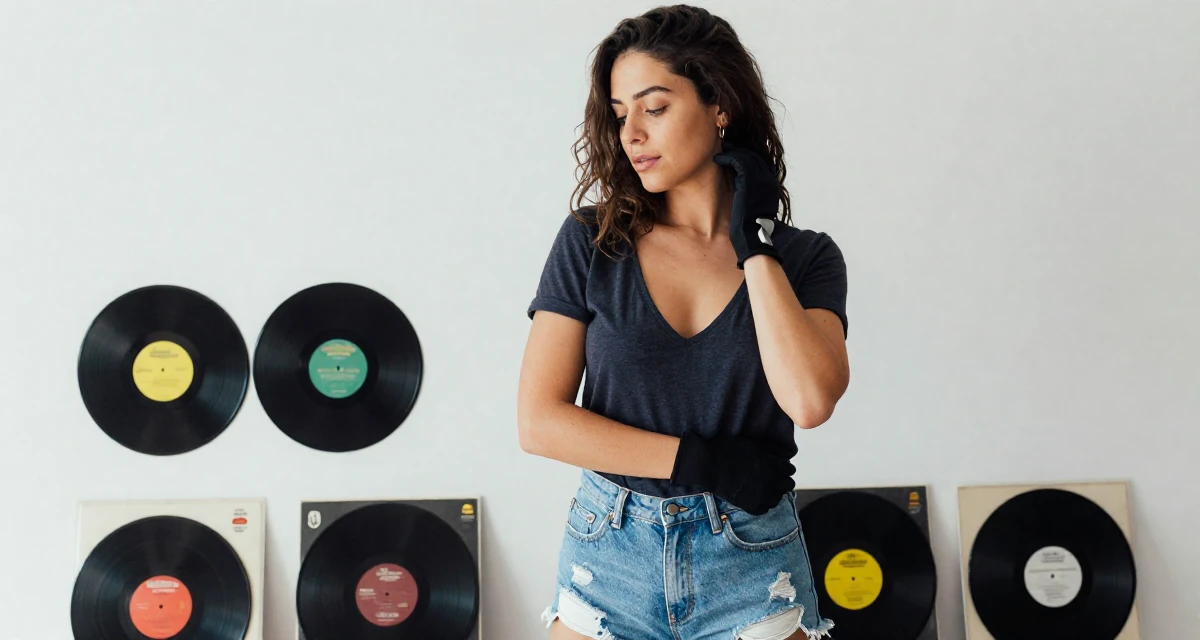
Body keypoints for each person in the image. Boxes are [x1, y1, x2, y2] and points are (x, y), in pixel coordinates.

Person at [518, 5, 850, 639]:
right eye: (620, 116)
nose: (632, 134)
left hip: (751, 561)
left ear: (717, 104)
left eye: (655, 107)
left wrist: (754, 246)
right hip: (609, 550)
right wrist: (699, 462)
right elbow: (539, 421)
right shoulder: (593, 241)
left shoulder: (805, 258)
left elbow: (809, 400)